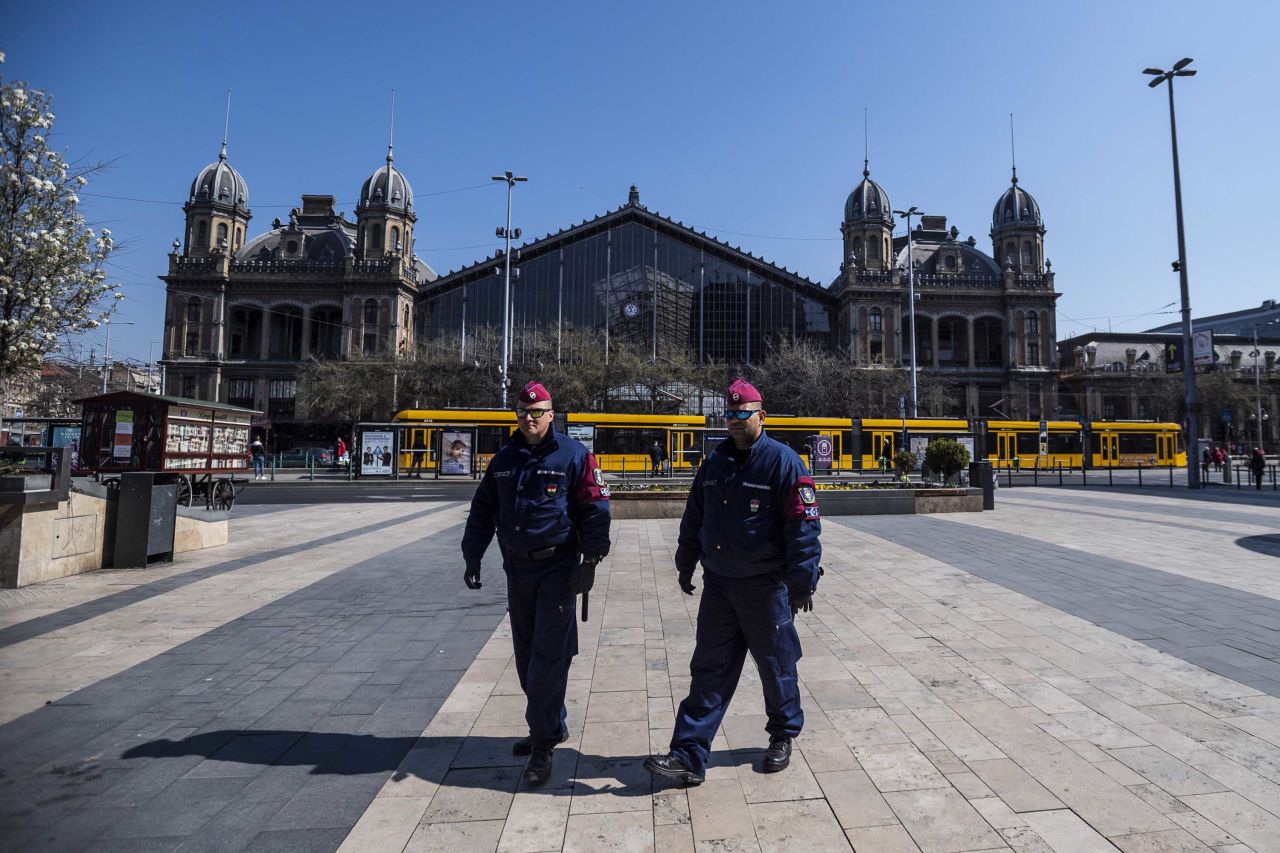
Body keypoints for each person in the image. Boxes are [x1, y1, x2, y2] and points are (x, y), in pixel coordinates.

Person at [645, 379, 822, 786]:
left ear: (762, 415)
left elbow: (804, 527)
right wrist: (685, 560)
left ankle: (782, 734)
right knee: (708, 670)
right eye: (730, 414)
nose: (736, 421)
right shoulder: (715, 463)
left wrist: (803, 581)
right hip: (720, 586)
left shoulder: (784, 463)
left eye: (744, 414)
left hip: (765, 587)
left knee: (777, 667)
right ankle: (689, 754)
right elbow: (695, 515)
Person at [462, 380, 612, 785]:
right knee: (527, 654)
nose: (530, 418)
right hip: (517, 570)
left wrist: (592, 559)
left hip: (558, 567)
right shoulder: (504, 459)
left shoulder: (575, 456)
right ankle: (551, 723)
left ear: (551, 414)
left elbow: (595, 508)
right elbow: (483, 509)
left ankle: (543, 743)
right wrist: (472, 553)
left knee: (548, 654)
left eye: (538, 411)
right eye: (523, 412)